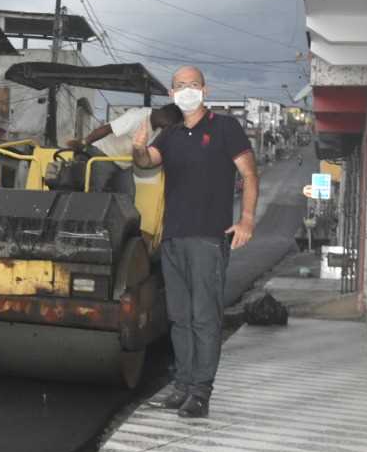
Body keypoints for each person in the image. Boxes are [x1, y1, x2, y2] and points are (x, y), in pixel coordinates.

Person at [132, 66, 258, 418]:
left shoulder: (225, 128)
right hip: (173, 237)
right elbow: (146, 164)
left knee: (204, 316)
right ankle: (183, 384)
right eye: (180, 86)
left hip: (208, 238)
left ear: (205, 89)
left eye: (193, 85)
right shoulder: (170, 136)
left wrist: (246, 219)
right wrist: (137, 147)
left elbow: (249, 173)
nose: (187, 90)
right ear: (172, 94)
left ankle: (201, 391)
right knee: (179, 317)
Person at [66, 104, 183, 194]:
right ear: (166, 117)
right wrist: (84, 142)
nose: (170, 128)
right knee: (96, 193)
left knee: (126, 197)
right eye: (171, 125)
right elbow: (107, 128)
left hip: (124, 164)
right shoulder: (137, 117)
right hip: (104, 155)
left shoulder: (159, 128)